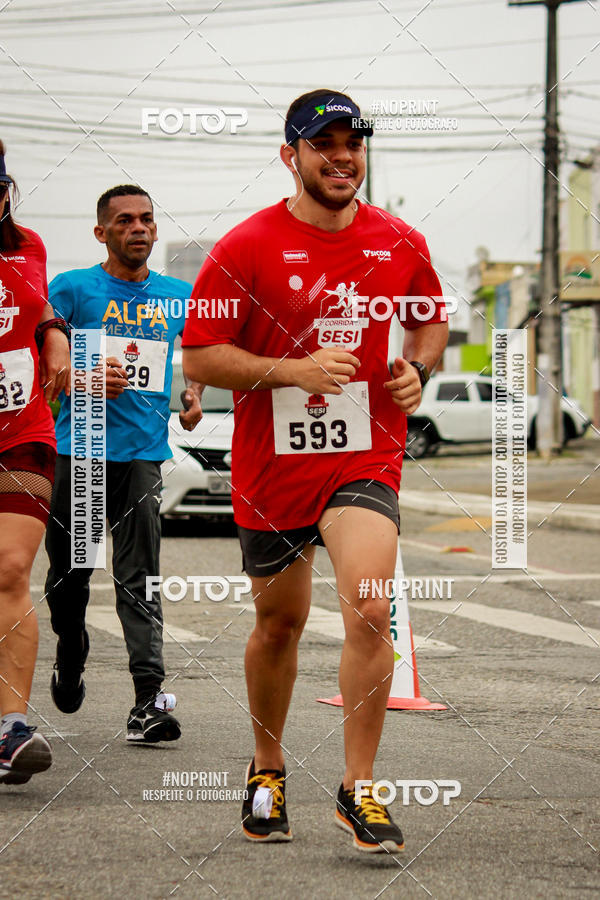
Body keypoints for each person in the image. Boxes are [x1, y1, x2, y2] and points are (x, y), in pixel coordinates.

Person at [182, 90, 449, 851]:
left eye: (353, 143)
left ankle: (358, 788)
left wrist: (419, 372)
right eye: (323, 143)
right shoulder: (246, 246)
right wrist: (289, 369)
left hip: (365, 454)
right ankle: (267, 768)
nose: (342, 156)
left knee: (370, 605)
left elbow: (431, 316)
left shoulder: (398, 238)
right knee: (280, 624)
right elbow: (201, 355)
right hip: (274, 465)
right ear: (290, 156)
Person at [45, 185, 203, 743]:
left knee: (140, 579)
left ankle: (147, 703)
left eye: (147, 220)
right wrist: (77, 375)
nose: (138, 228)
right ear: (102, 232)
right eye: (125, 221)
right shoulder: (72, 289)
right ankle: (70, 649)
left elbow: (201, 348)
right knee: (71, 579)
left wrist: (194, 392)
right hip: (82, 451)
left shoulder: (178, 294)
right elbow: (49, 359)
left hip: (142, 455)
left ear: (155, 230)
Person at [0, 140, 71, 784]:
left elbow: (34, 300)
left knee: (12, 566)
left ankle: (11, 729)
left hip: (21, 429)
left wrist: (52, 331)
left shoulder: (28, 248)